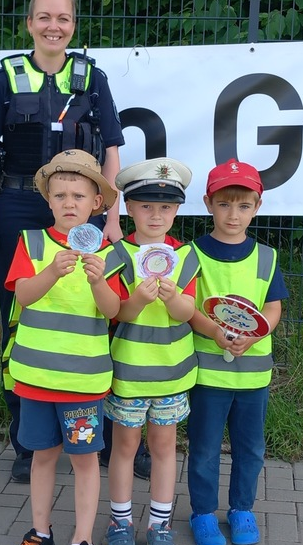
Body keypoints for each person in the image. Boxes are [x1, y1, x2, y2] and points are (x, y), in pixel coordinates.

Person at [0, 0, 147, 484]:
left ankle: (105, 435)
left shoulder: (94, 78)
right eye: (44, 17)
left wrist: (111, 213)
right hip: (19, 207)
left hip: (81, 208)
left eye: (63, 18)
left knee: (102, 312)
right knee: (17, 315)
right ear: (29, 24)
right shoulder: (4, 78)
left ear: (73, 25)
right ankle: (27, 440)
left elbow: (110, 150)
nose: (53, 26)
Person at [5, 150, 129, 545]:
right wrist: (50, 273)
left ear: (96, 203)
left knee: (84, 460)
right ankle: (41, 530)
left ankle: (82, 536)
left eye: (78, 196)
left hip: (84, 381)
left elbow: (114, 312)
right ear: (48, 200)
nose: (68, 203)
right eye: (60, 196)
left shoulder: (110, 253)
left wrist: (96, 282)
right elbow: (22, 296)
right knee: (42, 457)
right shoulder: (33, 242)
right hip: (35, 377)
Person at [185, 159, 289, 545]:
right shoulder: (192, 255)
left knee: (250, 448)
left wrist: (256, 334)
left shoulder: (267, 256)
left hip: (253, 375)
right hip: (208, 375)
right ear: (208, 202)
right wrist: (214, 331)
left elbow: (274, 307)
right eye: (225, 204)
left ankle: (242, 509)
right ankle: (203, 514)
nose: (234, 214)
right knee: (205, 449)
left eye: (244, 206)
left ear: (257, 207)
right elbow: (188, 307)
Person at [103, 158, 199, 545]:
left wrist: (174, 298)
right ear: (129, 208)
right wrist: (138, 301)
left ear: (176, 210)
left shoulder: (187, 257)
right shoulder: (117, 255)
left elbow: (188, 313)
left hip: (173, 370)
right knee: (124, 448)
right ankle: (120, 522)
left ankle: (160, 523)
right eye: (146, 206)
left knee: (163, 447)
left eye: (165, 207)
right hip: (128, 371)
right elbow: (115, 314)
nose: (155, 214)